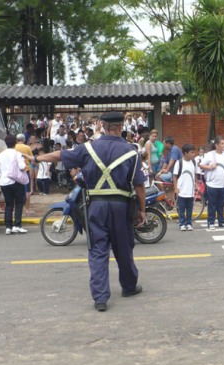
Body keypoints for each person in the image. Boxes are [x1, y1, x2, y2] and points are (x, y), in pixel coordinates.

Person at [26, 111, 147, 312]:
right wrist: (142, 210)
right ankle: (128, 286)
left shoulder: (87, 148)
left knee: (98, 250)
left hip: (96, 206)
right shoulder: (131, 152)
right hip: (121, 206)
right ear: (121, 126)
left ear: (102, 125)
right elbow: (140, 186)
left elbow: (60, 155)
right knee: (124, 249)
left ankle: (100, 298)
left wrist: (37, 158)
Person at [0, 135, 28, 235]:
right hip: (16, 181)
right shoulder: (18, 154)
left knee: (8, 205)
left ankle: (8, 227)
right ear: (15, 143)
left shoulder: (0, 155)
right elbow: (22, 167)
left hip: (4, 182)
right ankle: (17, 225)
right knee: (19, 203)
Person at [200, 136, 224, 229]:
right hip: (212, 184)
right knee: (212, 204)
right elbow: (201, 165)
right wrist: (210, 167)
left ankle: (221, 222)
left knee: (221, 204)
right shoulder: (210, 154)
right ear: (217, 145)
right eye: (222, 143)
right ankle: (211, 222)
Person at [173, 144, 197, 232]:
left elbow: (195, 174)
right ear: (185, 153)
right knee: (182, 209)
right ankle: (182, 223)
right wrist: (176, 187)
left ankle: (189, 223)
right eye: (191, 152)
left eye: (194, 152)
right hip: (181, 190)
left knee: (190, 208)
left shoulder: (194, 162)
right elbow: (175, 176)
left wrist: (196, 184)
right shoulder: (179, 162)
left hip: (190, 190)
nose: (193, 154)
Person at [15, 134, 35, 215]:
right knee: (27, 192)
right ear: (24, 140)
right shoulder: (27, 147)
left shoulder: (14, 147)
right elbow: (32, 159)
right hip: (25, 170)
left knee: (15, 191)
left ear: (17, 140)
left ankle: (14, 210)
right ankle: (27, 210)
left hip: (16, 171)